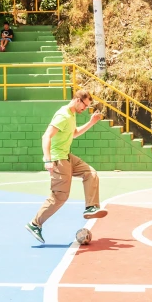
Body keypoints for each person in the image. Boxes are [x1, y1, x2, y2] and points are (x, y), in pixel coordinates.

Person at [25, 90, 108, 244]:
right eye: (84, 105)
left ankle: (91, 207)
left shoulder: (71, 115)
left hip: (67, 156)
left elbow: (74, 133)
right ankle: (35, 224)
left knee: (91, 173)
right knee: (59, 197)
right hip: (58, 159)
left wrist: (91, 122)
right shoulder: (63, 115)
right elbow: (46, 136)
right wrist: (47, 160)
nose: (85, 109)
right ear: (77, 100)